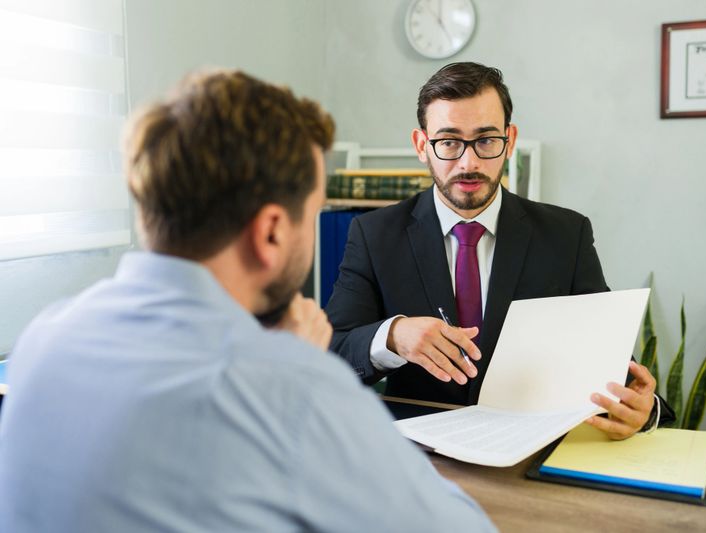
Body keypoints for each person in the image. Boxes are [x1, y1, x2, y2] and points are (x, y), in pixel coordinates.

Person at [0, 70, 496, 533]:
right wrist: (294, 368)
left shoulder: (43, 339)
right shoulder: (293, 392)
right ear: (273, 232)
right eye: (312, 212)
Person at [326, 62, 674, 439]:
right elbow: (332, 353)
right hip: (418, 458)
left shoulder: (566, 235)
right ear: (421, 146)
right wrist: (393, 336)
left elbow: (609, 365)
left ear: (510, 139)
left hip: (531, 454)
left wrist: (644, 411)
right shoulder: (373, 234)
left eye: (486, 140)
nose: (469, 162)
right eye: (448, 142)